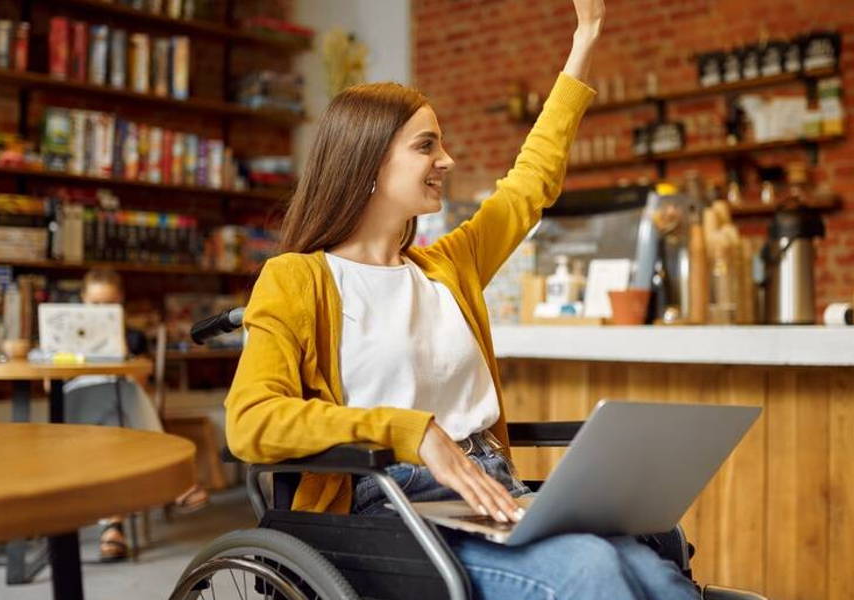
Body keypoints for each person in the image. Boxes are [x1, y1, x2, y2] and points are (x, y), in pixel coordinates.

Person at [224, 2, 699, 598]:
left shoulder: (448, 266)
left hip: (489, 487)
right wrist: (412, 432)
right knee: (593, 571)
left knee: (649, 565)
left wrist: (585, 39)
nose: (446, 160)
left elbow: (531, 184)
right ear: (368, 161)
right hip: (386, 505)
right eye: (427, 146)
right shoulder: (295, 278)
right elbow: (250, 422)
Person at [69, 268, 209, 562]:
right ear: (83, 299)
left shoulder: (131, 337)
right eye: (95, 304)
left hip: (117, 411)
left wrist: (118, 351)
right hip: (77, 407)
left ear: (119, 301)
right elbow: (48, 385)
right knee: (124, 394)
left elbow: (142, 382)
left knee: (119, 413)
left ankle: (113, 529)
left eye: (109, 304)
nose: (101, 310)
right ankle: (175, 477)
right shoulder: (65, 333)